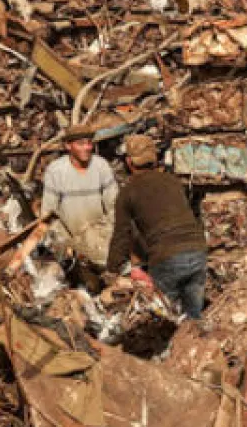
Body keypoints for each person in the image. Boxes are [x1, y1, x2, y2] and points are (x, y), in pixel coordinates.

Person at [107, 134, 209, 320]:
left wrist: (112, 268)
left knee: (163, 319)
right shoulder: (173, 181)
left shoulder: (127, 192)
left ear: (129, 162)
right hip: (197, 250)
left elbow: (122, 235)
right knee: (193, 316)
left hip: (166, 257)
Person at [40, 123, 118, 269]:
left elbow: (113, 205)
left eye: (89, 143)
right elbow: (48, 213)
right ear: (68, 146)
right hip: (70, 238)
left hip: (99, 236)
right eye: (80, 144)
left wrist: (106, 233)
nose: (87, 148)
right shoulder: (56, 171)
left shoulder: (101, 166)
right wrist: (63, 242)